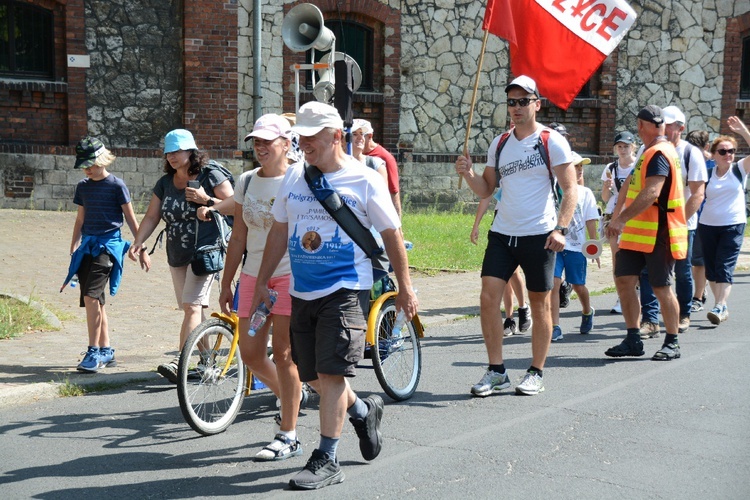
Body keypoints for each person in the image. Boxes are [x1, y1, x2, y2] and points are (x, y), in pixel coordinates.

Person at [250, 102, 418, 490]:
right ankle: (362, 410)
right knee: (311, 376)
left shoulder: (364, 179)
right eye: (300, 136)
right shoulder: (294, 176)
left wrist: (406, 288)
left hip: (346, 288)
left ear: (336, 136)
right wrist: (262, 282)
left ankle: (327, 456)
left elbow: (391, 235)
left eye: (312, 136)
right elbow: (278, 231)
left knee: (332, 372)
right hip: (301, 289)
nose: (303, 142)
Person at [454, 75, 577, 396]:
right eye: (512, 101)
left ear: (537, 104)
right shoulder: (501, 143)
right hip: (502, 233)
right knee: (487, 298)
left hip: (540, 234)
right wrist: (469, 174)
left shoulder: (552, 141)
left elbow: (570, 189)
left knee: (540, 305)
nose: (517, 107)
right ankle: (497, 371)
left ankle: (535, 371)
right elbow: (486, 188)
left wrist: (561, 229)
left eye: (524, 101)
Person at [200, 114, 305, 460]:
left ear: (286, 144)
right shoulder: (246, 181)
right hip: (252, 277)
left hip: (289, 276)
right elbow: (239, 236)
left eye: (267, 142)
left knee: (286, 354)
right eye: (256, 142)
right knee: (252, 354)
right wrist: (228, 281)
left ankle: (288, 433)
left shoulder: (300, 179)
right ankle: (293, 396)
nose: (260, 148)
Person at [128, 129, 234, 383]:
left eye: (177, 151)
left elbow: (236, 204)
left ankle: (180, 361)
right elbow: (153, 215)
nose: (172, 156)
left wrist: (206, 199)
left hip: (206, 251)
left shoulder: (211, 174)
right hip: (177, 254)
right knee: (192, 310)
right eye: (169, 152)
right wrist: (139, 241)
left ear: (191, 151)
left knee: (192, 307)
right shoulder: (165, 183)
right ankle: (207, 362)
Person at [605, 105, 687, 361]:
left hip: (659, 231)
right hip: (637, 233)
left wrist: (620, 220)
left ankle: (672, 342)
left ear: (641, 126)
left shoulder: (660, 153)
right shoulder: (649, 151)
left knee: (661, 287)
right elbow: (631, 185)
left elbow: (652, 191)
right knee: (624, 281)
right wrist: (618, 217)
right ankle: (633, 339)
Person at [63, 137, 147, 372]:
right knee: (97, 301)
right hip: (87, 248)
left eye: (90, 164)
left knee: (90, 297)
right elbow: (80, 218)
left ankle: (93, 352)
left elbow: (131, 218)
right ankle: (107, 350)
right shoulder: (83, 186)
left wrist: (142, 248)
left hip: (107, 249)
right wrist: (74, 245)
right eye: (84, 165)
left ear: (102, 159)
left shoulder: (116, 185)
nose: (87, 169)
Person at [636, 106, 707, 338]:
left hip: (682, 225)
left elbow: (697, 193)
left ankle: (683, 315)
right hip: (652, 225)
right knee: (647, 273)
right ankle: (650, 320)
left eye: (670, 124)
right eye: (662, 123)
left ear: (681, 127)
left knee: (682, 272)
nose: (664, 128)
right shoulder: (646, 150)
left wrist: (679, 221)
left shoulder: (690, 153)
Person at [697, 117, 750, 325]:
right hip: (708, 225)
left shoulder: (739, 170)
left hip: (733, 225)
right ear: (714, 154)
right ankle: (722, 305)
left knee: (724, 266)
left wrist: (743, 130)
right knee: (711, 269)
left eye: (731, 151)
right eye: (723, 151)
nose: (728, 155)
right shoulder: (707, 174)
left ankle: (719, 305)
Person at [550, 152, 600, 342]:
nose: (579, 170)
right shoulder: (553, 189)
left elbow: (590, 219)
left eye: (581, 167)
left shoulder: (585, 193)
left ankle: (587, 311)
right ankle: (555, 326)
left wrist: (594, 244)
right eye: (575, 166)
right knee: (554, 284)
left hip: (576, 247)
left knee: (578, 285)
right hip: (555, 245)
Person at [470, 196, 531, 337]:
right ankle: (509, 319)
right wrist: (476, 225)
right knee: (503, 276)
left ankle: (523, 307)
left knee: (513, 273)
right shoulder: (499, 175)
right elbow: (486, 195)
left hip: (521, 219)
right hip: (502, 218)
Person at [600, 130, 637, 314]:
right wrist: (606, 188)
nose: (623, 150)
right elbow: (606, 198)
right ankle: (622, 296)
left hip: (633, 215)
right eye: (620, 146)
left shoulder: (639, 165)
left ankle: (635, 292)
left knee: (634, 257)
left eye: (626, 146)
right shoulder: (610, 168)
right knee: (617, 259)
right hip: (613, 216)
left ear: (633, 147)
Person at [686, 129, 715, 312]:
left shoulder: (713, 165)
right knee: (687, 261)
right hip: (688, 217)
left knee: (698, 260)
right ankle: (698, 290)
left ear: (707, 148)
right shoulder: (685, 162)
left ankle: (697, 296)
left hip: (706, 219)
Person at [363, 123, 402, 218]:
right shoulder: (350, 154)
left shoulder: (386, 158)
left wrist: (397, 222)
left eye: (360, 135)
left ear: (369, 136)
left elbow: (393, 191)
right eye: (353, 135)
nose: (354, 140)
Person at [350, 118, 388, 185]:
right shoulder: (336, 165)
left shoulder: (376, 164)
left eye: (361, 134)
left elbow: (383, 194)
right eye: (355, 134)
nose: (360, 138)